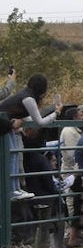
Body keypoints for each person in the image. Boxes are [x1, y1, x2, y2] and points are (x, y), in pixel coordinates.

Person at [0, 72, 62, 200]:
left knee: (14, 156)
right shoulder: (28, 98)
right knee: (12, 156)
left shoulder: (25, 94)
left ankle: (16, 189)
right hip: (5, 126)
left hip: (8, 125)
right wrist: (56, 113)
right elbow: (39, 121)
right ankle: (13, 189)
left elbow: (29, 118)